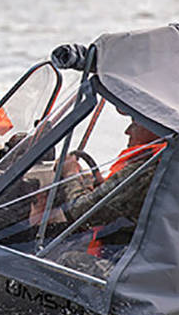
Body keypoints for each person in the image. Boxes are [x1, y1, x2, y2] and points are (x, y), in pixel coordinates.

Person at [49, 114, 169, 266]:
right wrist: (94, 184)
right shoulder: (163, 160)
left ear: (155, 129)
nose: (127, 131)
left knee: (65, 260)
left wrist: (70, 174)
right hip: (136, 253)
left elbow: (81, 211)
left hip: (124, 263)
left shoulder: (146, 168)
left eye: (135, 124)